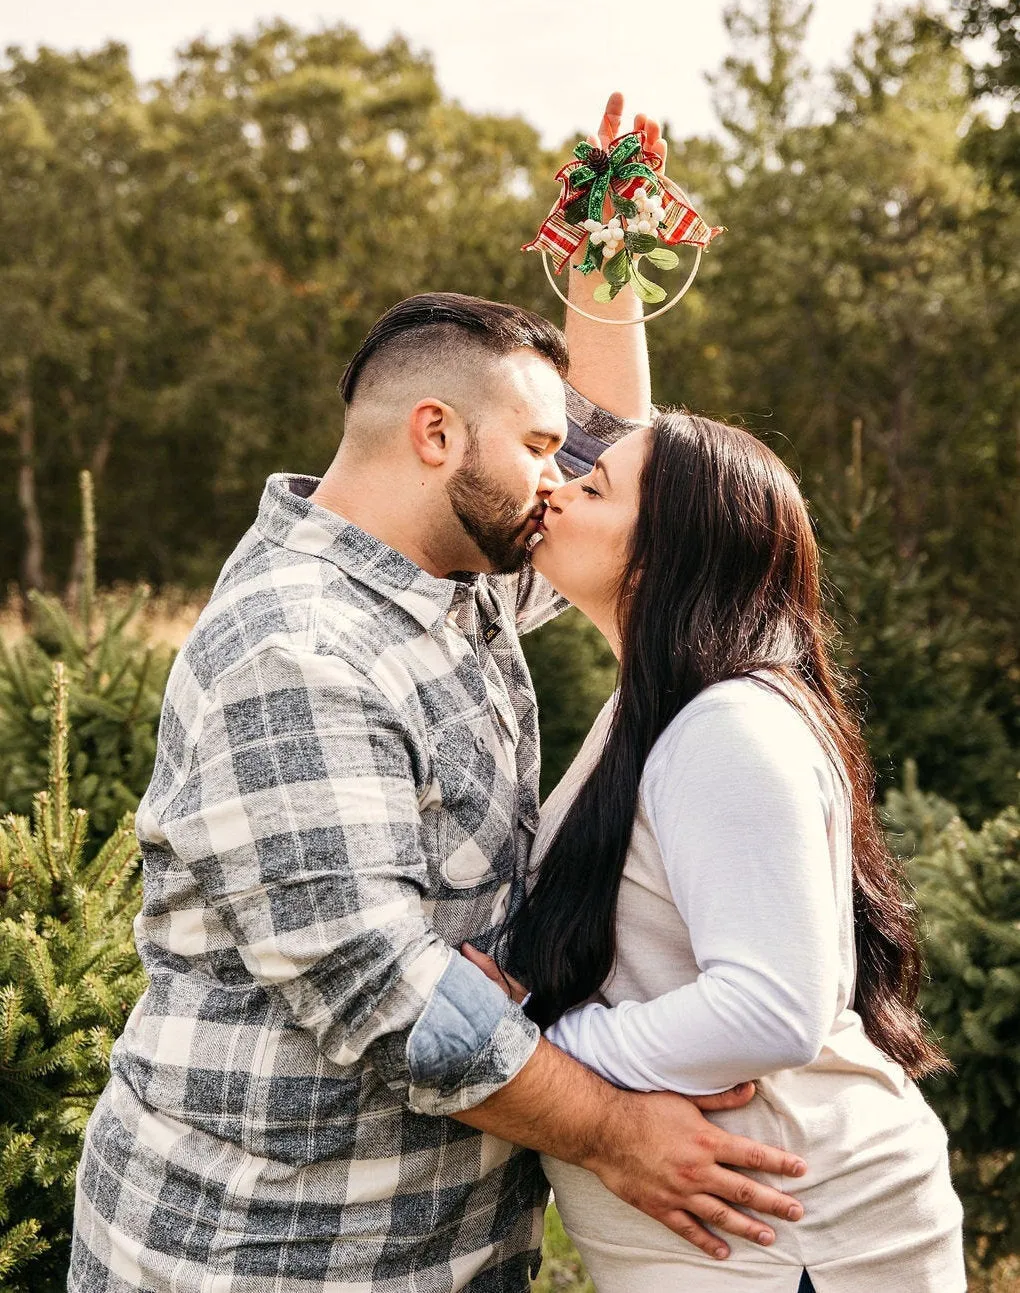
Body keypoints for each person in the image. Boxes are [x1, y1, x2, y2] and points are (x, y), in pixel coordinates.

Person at [68, 102, 810, 1293]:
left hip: (444, 1244)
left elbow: (608, 452)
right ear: (434, 434)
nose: (559, 482)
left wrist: (606, 264)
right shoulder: (298, 649)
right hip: (275, 1254)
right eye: (535, 448)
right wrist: (621, 1130)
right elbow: (384, 993)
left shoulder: (450, 579)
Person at [470, 410, 966, 1291]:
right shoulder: (655, 711)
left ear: (667, 552)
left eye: (592, 486)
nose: (555, 487)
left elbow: (772, 1006)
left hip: (797, 1239)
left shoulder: (728, 727)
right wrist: (601, 284)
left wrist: (541, 1041)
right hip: (735, 1239)